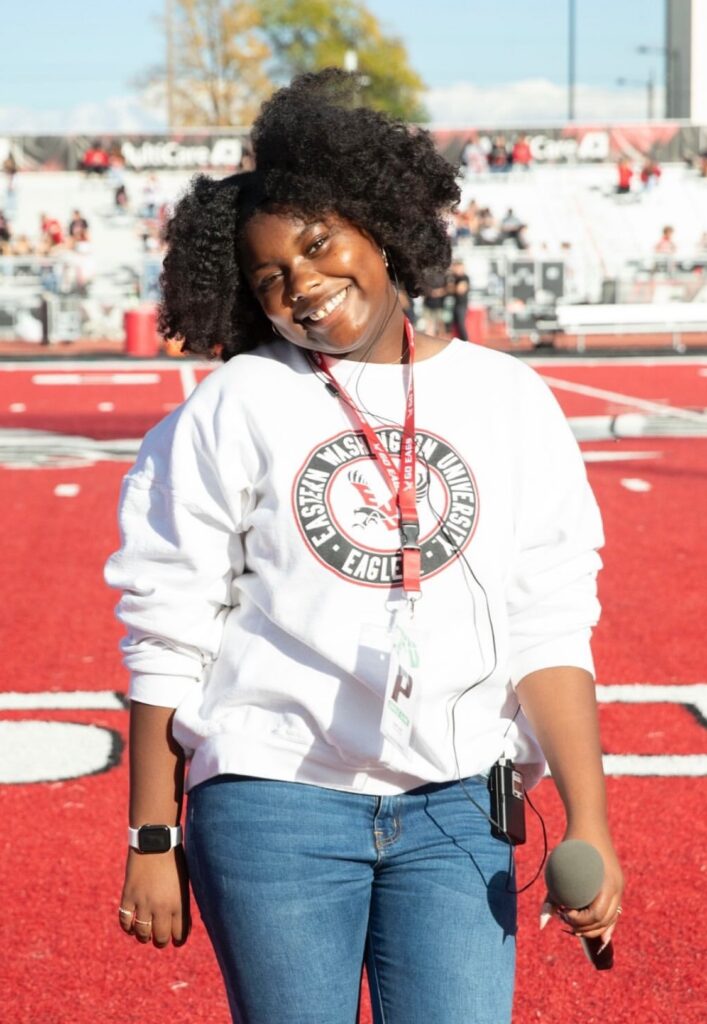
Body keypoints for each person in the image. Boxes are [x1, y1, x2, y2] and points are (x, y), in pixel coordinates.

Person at [105, 68, 623, 1024]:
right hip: (273, 802)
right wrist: (150, 833)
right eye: (270, 279)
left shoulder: (508, 398)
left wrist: (587, 818)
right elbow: (167, 620)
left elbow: (548, 618)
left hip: (461, 805)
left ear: (380, 225)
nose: (302, 285)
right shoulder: (240, 401)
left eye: (316, 245)